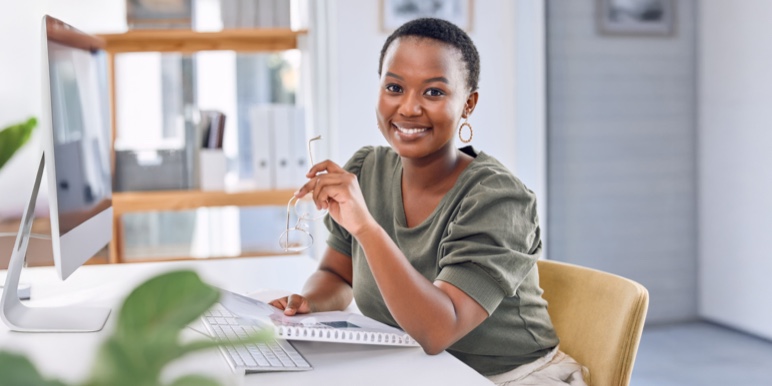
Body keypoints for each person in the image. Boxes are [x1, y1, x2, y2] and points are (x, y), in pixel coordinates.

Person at [269, 17, 588, 385]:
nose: (408, 108)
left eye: (433, 92)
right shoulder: (366, 170)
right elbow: (338, 274)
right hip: (416, 370)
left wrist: (366, 227)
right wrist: (309, 302)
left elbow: (439, 329)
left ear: (468, 104)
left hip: (509, 377)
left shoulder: (500, 200)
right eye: (394, 87)